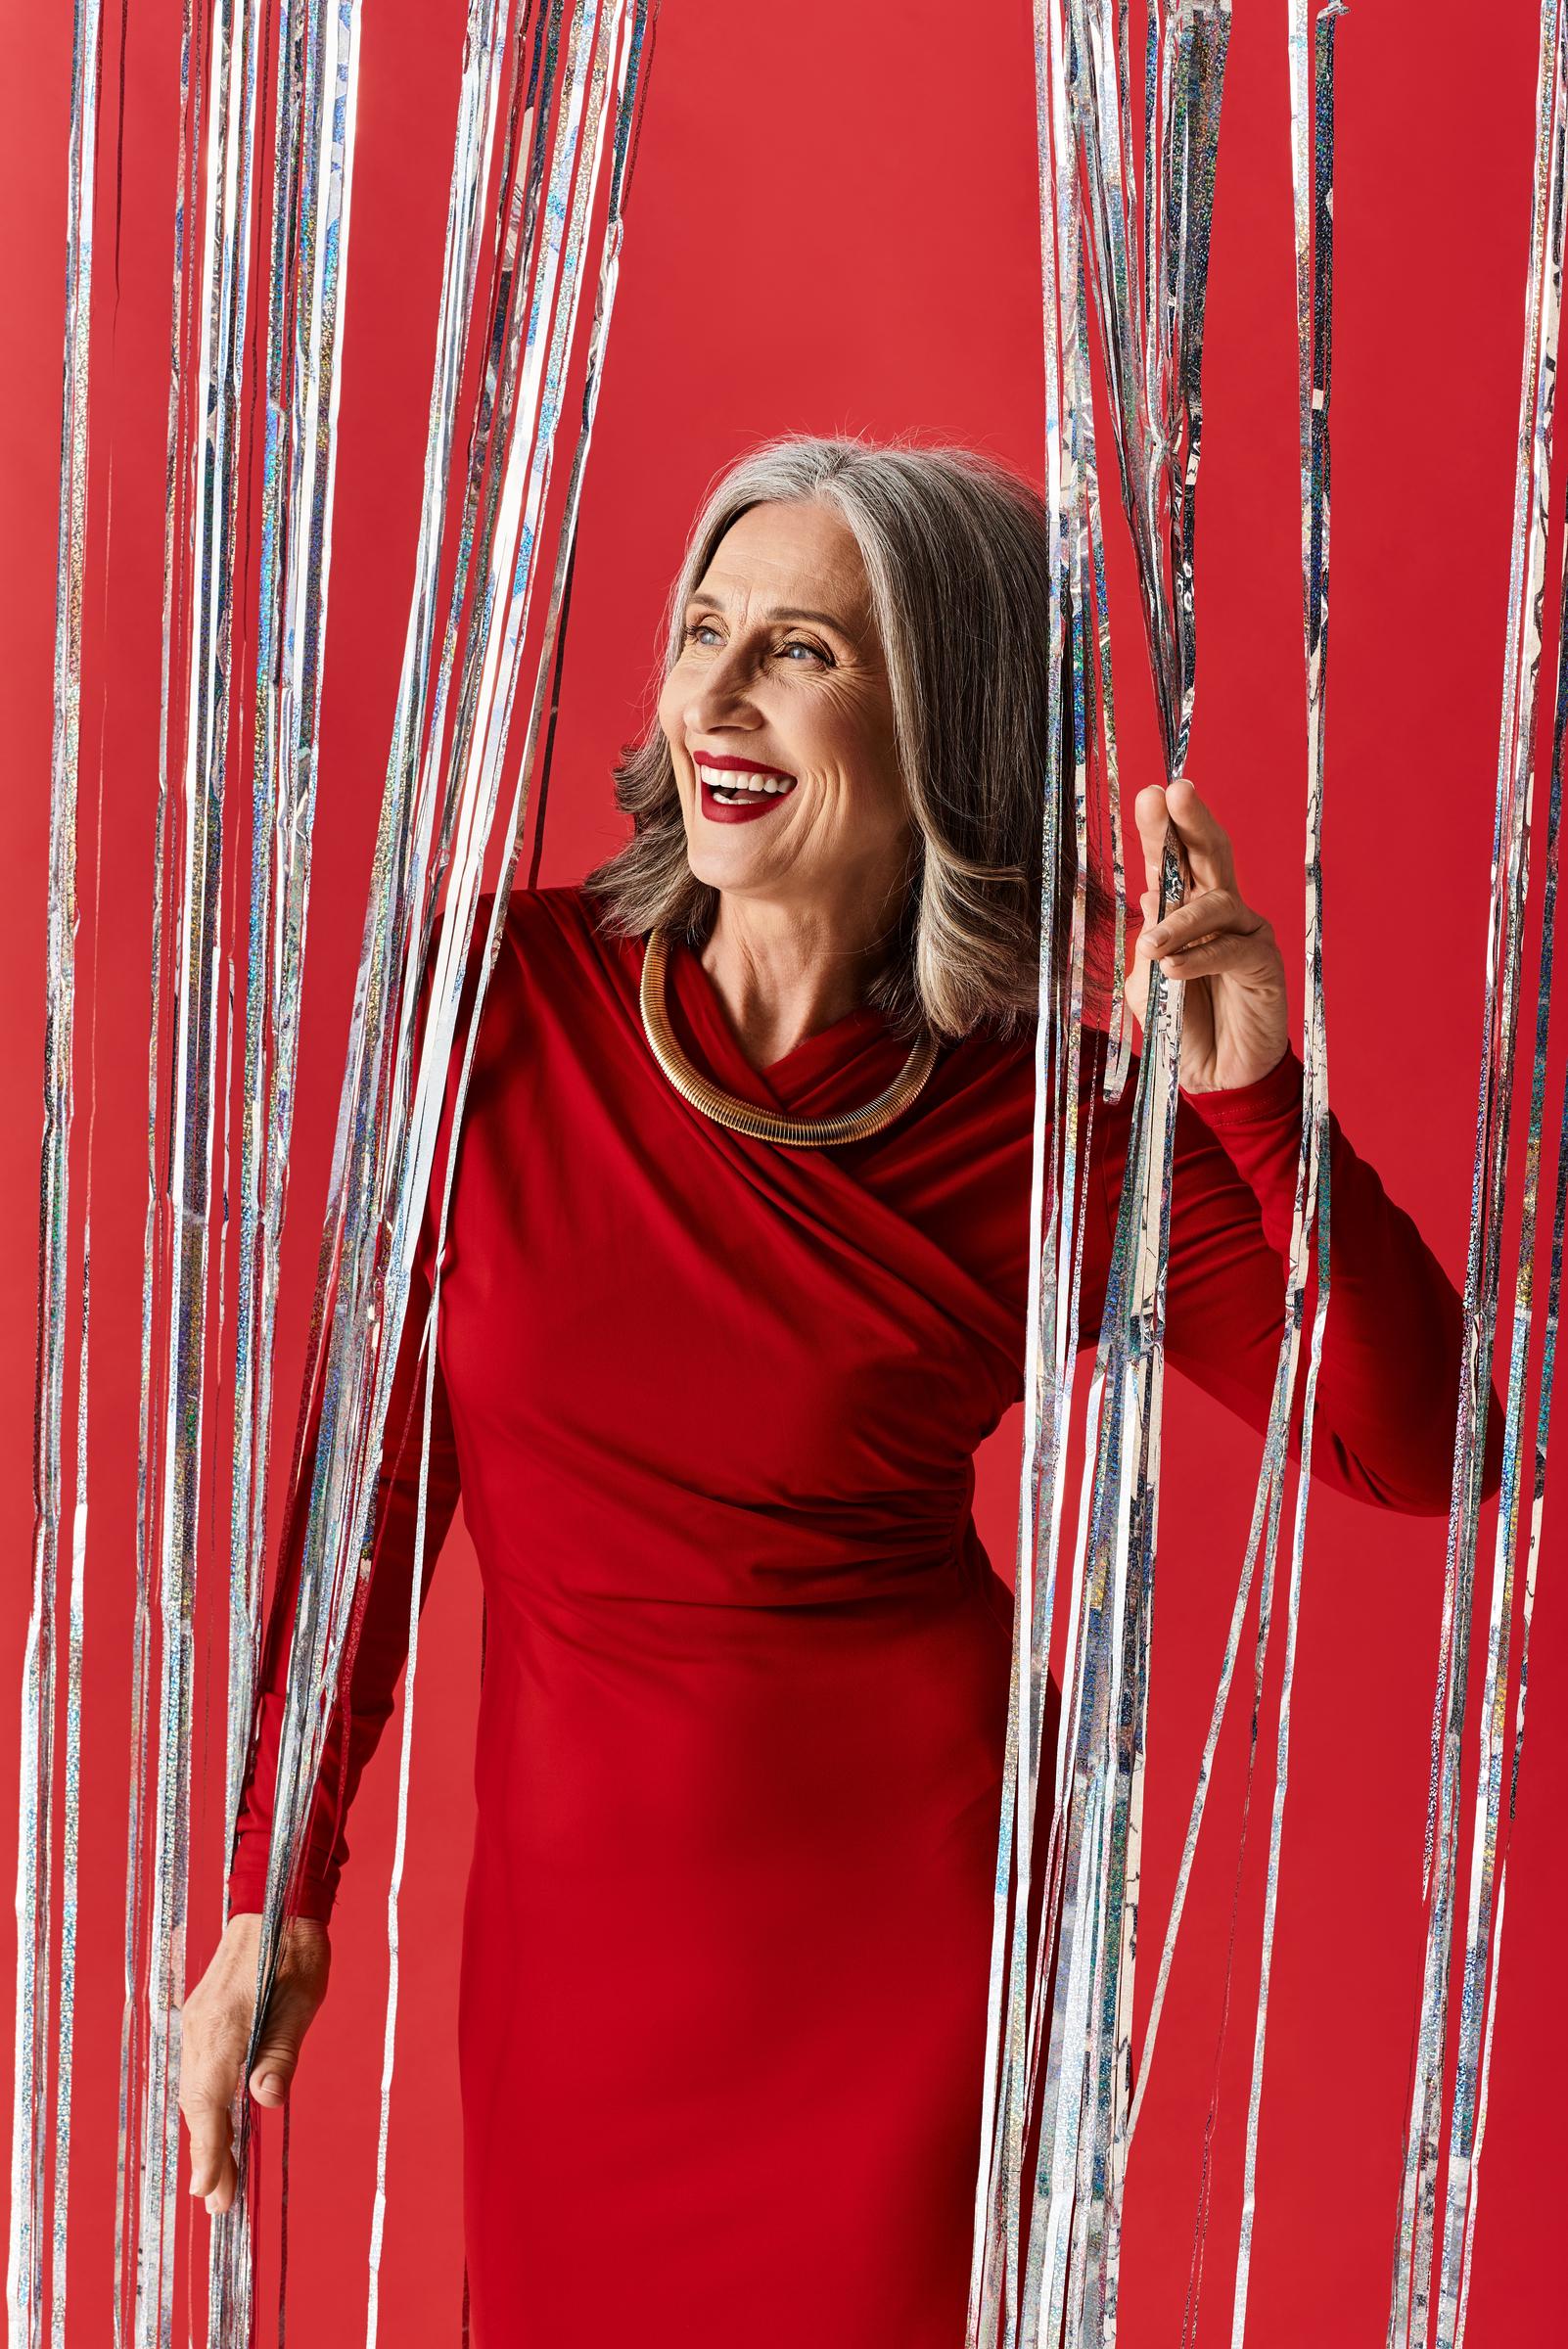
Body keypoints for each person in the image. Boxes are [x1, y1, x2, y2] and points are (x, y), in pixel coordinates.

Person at [177, 436, 1502, 2346]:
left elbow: (1417, 1443)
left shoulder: (1056, 1124)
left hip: (912, 1965)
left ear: (945, 728)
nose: (711, 694)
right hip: (576, 1971)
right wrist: (269, 1882)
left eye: (797, 650)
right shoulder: (500, 1003)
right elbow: (369, 1479)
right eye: (701, 628)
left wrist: (1259, 1102)